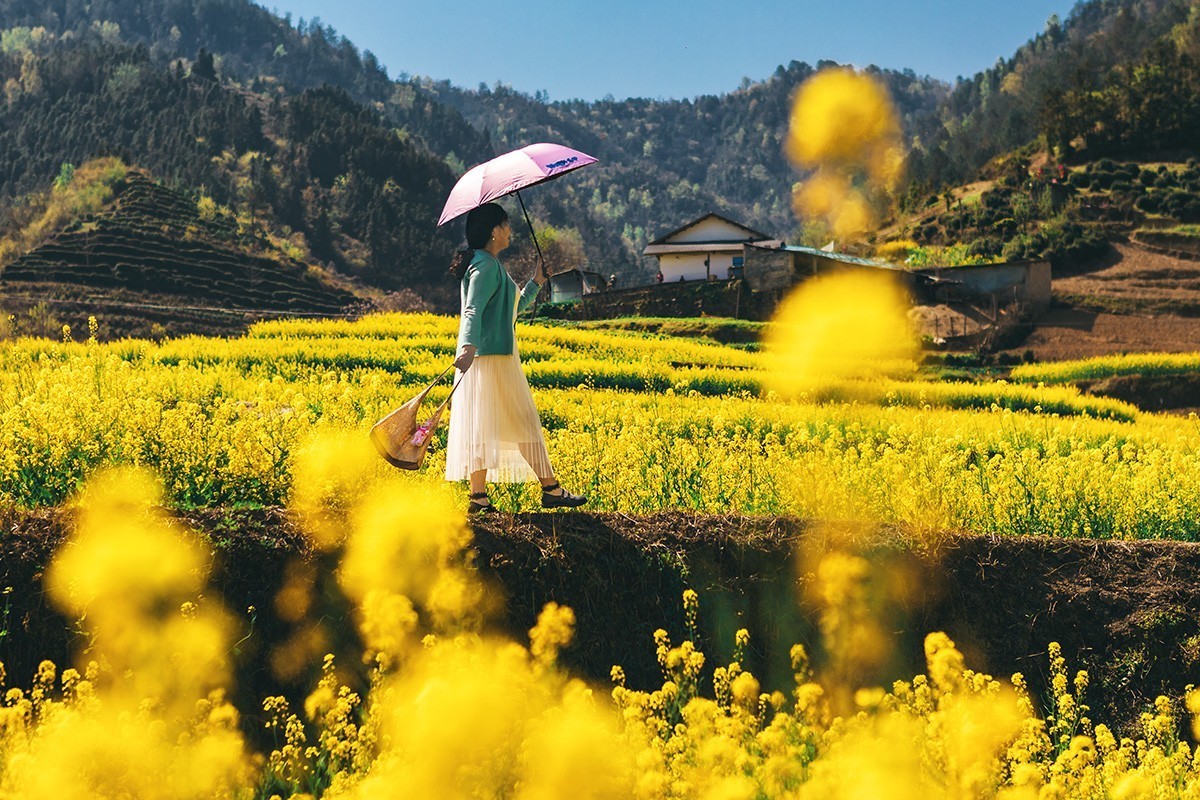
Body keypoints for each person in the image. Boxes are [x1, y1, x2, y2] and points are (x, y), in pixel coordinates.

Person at [445, 202, 587, 513]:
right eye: (506, 225)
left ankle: (478, 498)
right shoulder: (484, 267)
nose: (510, 231)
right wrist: (467, 346)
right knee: (524, 421)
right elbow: (472, 309)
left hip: (491, 358)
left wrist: (536, 282)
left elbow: (512, 310)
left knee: (483, 427)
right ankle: (550, 489)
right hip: (490, 360)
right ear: (494, 231)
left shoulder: (488, 264)